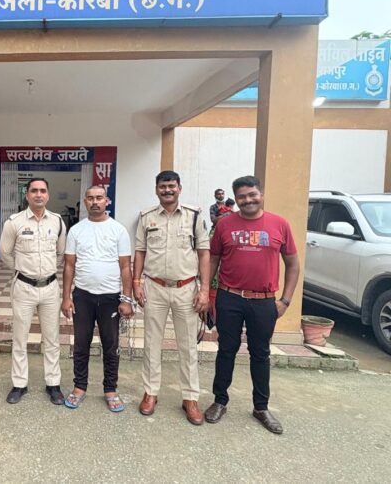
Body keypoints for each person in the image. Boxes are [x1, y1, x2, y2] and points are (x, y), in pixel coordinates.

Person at [204, 175, 300, 434]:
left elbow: (293, 264)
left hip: (264, 301)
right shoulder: (224, 225)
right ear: (236, 198)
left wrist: (285, 300)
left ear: (261, 194)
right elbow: (213, 259)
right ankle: (220, 401)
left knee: (260, 354)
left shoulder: (279, 224)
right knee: (226, 350)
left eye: (252, 194)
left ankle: (261, 407)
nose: (248, 200)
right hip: (229, 297)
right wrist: (206, 292)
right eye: (242, 196)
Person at [132, 170, 210, 425]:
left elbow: (204, 253)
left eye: (171, 186)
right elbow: (140, 251)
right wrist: (136, 283)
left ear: (179, 188)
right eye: (163, 186)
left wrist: (204, 289)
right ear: (156, 189)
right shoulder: (146, 217)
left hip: (186, 289)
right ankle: (150, 392)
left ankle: (190, 398)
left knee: (187, 345)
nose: (167, 190)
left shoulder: (194, 215)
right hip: (154, 287)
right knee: (151, 342)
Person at [61, 185, 133, 412]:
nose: (95, 202)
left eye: (99, 198)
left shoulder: (118, 230)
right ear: (85, 202)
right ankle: (79, 387)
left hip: (110, 297)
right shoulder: (76, 230)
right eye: (90, 198)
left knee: (111, 345)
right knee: (81, 344)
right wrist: (66, 297)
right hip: (82, 296)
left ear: (106, 201)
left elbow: (125, 267)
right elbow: (69, 265)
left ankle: (110, 389)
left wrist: (126, 299)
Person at [0, 178, 66, 405]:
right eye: (34, 191)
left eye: (43, 191)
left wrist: (47, 271)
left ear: (48, 195)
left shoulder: (57, 221)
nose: (39, 195)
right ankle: (19, 384)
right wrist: (23, 270)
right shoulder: (14, 222)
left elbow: (60, 253)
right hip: (24, 288)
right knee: (20, 338)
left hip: (50, 288)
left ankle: (53, 384)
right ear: (26, 195)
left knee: (52, 338)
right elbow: (5, 253)